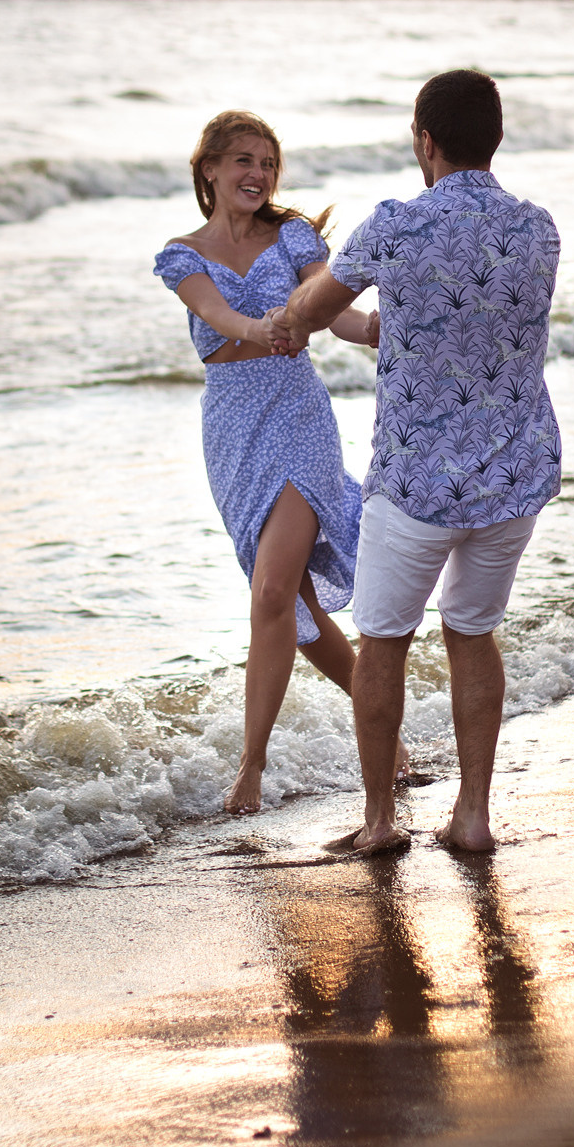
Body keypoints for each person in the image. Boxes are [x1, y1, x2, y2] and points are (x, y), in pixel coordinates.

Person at [276, 70, 561, 855]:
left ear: (424, 142)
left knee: (382, 640)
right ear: (492, 139)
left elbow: (310, 309)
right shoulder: (537, 228)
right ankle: (471, 814)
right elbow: (470, 321)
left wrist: (284, 319)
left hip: (415, 483)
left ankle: (379, 821)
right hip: (512, 473)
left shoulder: (394, 225)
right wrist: (380, 330)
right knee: (471, 630)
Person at [153, 110, 389, 815]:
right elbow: (217, 316)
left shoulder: (294, 238)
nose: (257, 174)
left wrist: (377, 329)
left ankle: (249, 767)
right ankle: (387, 727)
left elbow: (335, 310)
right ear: (210, 169)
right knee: (296, 604)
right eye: (242, 161)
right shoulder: (181, 253)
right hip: (230, 424)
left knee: (268, 596)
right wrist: (259, 326)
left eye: (267, 163)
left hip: (296, 414)